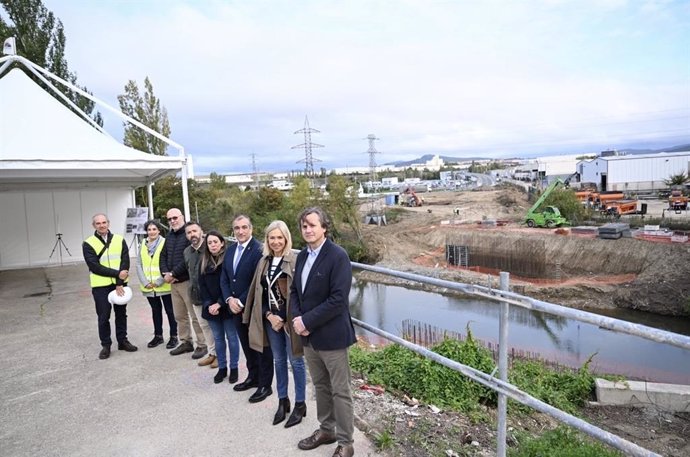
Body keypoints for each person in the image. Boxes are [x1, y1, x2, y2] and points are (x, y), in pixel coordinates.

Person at [291, 207, 356, 457]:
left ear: (324, 228)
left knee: (340, 390)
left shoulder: (337, 256)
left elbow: (338, 299)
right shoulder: (302, 256)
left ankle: (346, 442)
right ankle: (326, 429)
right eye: (304, 226)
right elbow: (296, 291)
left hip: (332, 336)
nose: (307, 229)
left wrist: (306, 321)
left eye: (312, 225)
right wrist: (298, 318)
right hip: (309, 336)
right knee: (320, 385)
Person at [245, 220, 306, 427]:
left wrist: (285, 318)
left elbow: (299, 294)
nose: (276, 241)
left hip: (289, 321)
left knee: (296, 361)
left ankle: (300, 404)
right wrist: (269, 315)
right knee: (278, 361)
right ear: (267, 240)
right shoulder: (263, 262)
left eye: (280, 237)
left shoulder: (294, 261)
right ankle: (283, 401)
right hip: (271, 320)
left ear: (286, 238)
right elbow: (257, 294)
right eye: (272, 238)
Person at [220, 215, 274, 403]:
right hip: (235, 308)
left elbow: (257, 280)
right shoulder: (231, 250)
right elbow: (225, 277)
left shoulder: (259, 250)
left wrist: (241, 301)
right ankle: (253, 377)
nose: (240, 231)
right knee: (246, 345)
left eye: (244, 227)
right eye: (237, 228)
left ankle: (265, 385)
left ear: (251, 228)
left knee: (261, 347)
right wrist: (229, 299)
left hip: (254, 307)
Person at [82, 213, 138, 360]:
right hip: (101, 286)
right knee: (103, 316)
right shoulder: (88, 243)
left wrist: (119, 282)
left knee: (121, 313)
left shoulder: (119, 240)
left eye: (104, 222)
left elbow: (125, 261)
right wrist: (117, 274)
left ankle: (122, 341)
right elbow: (94, 266)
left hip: (119, 284)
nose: (102, 225)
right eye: (98, 223)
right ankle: (106, 345)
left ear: (108, 223)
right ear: (93, 226)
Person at [160, 209, 207, 360]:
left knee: (194, 316)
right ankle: (186, 341)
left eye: (175, 218)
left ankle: (202, 344)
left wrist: (172, 273)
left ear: (182, 217)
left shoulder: (188, 235)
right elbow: (163, 256)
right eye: (169, 219)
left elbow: (186, 260)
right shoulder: (169, 236)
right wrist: (165, 273)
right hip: (173, 284)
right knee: (179, 315)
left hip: (187, 281)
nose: (172, 221)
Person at [199, 230, 240, 384]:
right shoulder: (204, 261)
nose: (213, 245)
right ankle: (222, 368)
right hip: (211, 308)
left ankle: (234, 368)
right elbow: (201, 285)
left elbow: (229, 283)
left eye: (215, 242)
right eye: (209, 243)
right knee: (218, 339)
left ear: (222, 242)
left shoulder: (228, 259)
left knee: (232, 338)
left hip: (226, 305)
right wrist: (209, 304)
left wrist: (220, 303)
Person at [136, 220, 178, 349]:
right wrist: (145, 282)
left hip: (164, 284)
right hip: (148, 286)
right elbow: (139, 264)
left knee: (170, 311)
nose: (151, 232)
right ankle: (158, 336)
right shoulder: (142, 244)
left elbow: (169, 263)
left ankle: (174, 336)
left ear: (159, 230)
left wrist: (160, 281)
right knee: (155, 311)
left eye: (154, 229)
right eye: (149, 229)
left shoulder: (165, 243)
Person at [183, 221, 218, 368]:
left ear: (201, 232)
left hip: (211, 297)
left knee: (215, 328)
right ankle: (212, 353)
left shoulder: (210, 249)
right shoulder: (187, 252)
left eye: (194, 231)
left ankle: (219, 356)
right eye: (189, 233)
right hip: (196, 297)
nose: (192, 235)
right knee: (204, 326)